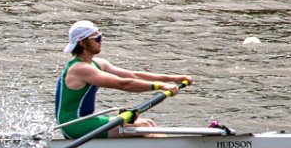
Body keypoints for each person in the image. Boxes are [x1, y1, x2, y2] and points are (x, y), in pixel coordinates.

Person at [55, 20, 195, 139]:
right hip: (73, 125)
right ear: (83, 43)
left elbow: (132, 75)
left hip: (86, 121)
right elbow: (124, 84)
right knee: (143, 126)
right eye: (96, 38)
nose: (101, 40)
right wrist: (160, 87)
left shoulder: (98, 63)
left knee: (147, 123)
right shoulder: (80, 69)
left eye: (100, 36)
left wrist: (173, 78)